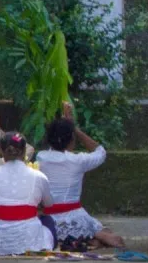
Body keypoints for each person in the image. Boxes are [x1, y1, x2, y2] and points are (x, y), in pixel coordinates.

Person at [35, 103, 125, 251]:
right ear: (72, 139)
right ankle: (93, 237)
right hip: (75, 218)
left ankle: (88, 239)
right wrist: (74, 128)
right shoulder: (77, 161)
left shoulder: (41, 157)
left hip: (48, 219)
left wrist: (66, 127)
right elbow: (100, 152)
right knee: (101, 230)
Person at [0, 132, 57, 255]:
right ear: (24, 151)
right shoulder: (39, 176)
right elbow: (49, 204)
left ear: (2, 151)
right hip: (29, 241)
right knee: (48, 220)